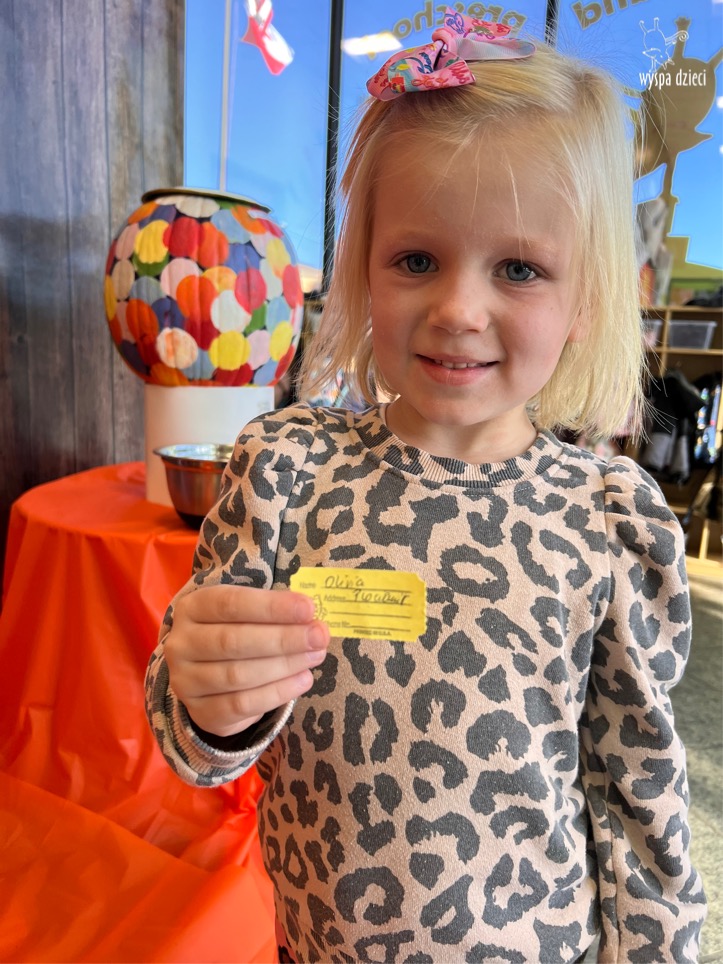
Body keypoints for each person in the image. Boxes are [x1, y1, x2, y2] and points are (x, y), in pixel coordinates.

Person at [145, 10, 706, 962]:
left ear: (583, 299)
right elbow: (192, 745)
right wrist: (208, 698)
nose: (457, 308)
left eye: (518, 269)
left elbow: (637, 793)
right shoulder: (286, 470)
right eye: (416, 260)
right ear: (365, 268)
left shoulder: (606, 521)